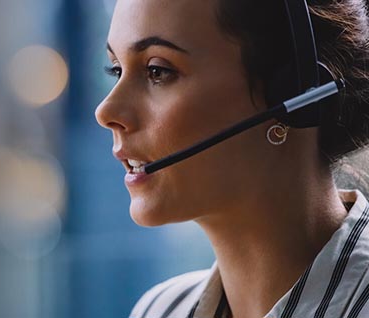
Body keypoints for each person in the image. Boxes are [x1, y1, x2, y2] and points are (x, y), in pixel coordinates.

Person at [94, 0, 369, 317]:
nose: (105, 112)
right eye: (116, 70)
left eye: (157, 71)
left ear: (292, 93)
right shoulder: (161, 309)